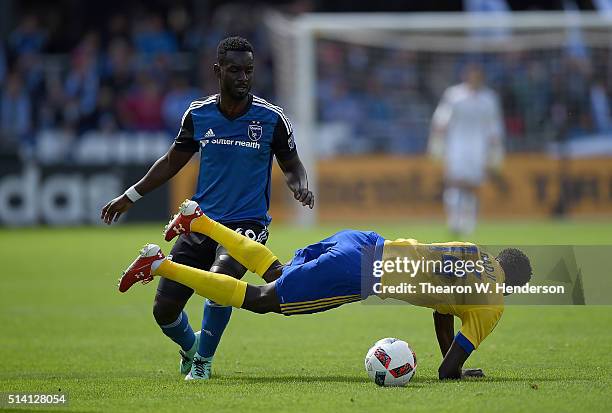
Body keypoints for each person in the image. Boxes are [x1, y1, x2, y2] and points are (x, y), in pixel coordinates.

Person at [119, 200, 532, 380]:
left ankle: (198, 221)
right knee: (265, 301)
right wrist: (456, 369)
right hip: (359, 272)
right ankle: (160, 265)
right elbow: (446, 371)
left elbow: (443, 309)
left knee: (276, 271)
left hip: (361, 240)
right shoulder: (493, 305)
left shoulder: (474, 252)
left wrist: (451, 360)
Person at [101, 37, 314, 380]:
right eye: (234, 70)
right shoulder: (198, 114)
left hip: (247, 225)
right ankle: (191, 348)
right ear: (218, 71)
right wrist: (130, 196)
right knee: (164, 310)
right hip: (198, 223)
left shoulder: (271, 118)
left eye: (248, 70)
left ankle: (203, 362)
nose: (243, 77)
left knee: (220, 283)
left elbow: (292, 164)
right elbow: (172, 161)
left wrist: (299, 185)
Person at [429, 64, 504, 236]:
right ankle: (453, 220)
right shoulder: (454, 95)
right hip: (456, 145)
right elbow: (441, 119)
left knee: (471, 186)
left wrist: (496, 150)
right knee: (454, 183)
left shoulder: (489, 98)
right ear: (465, 75)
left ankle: (468, 222)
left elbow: (494, 126)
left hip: (478, 148)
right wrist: (436, 142)